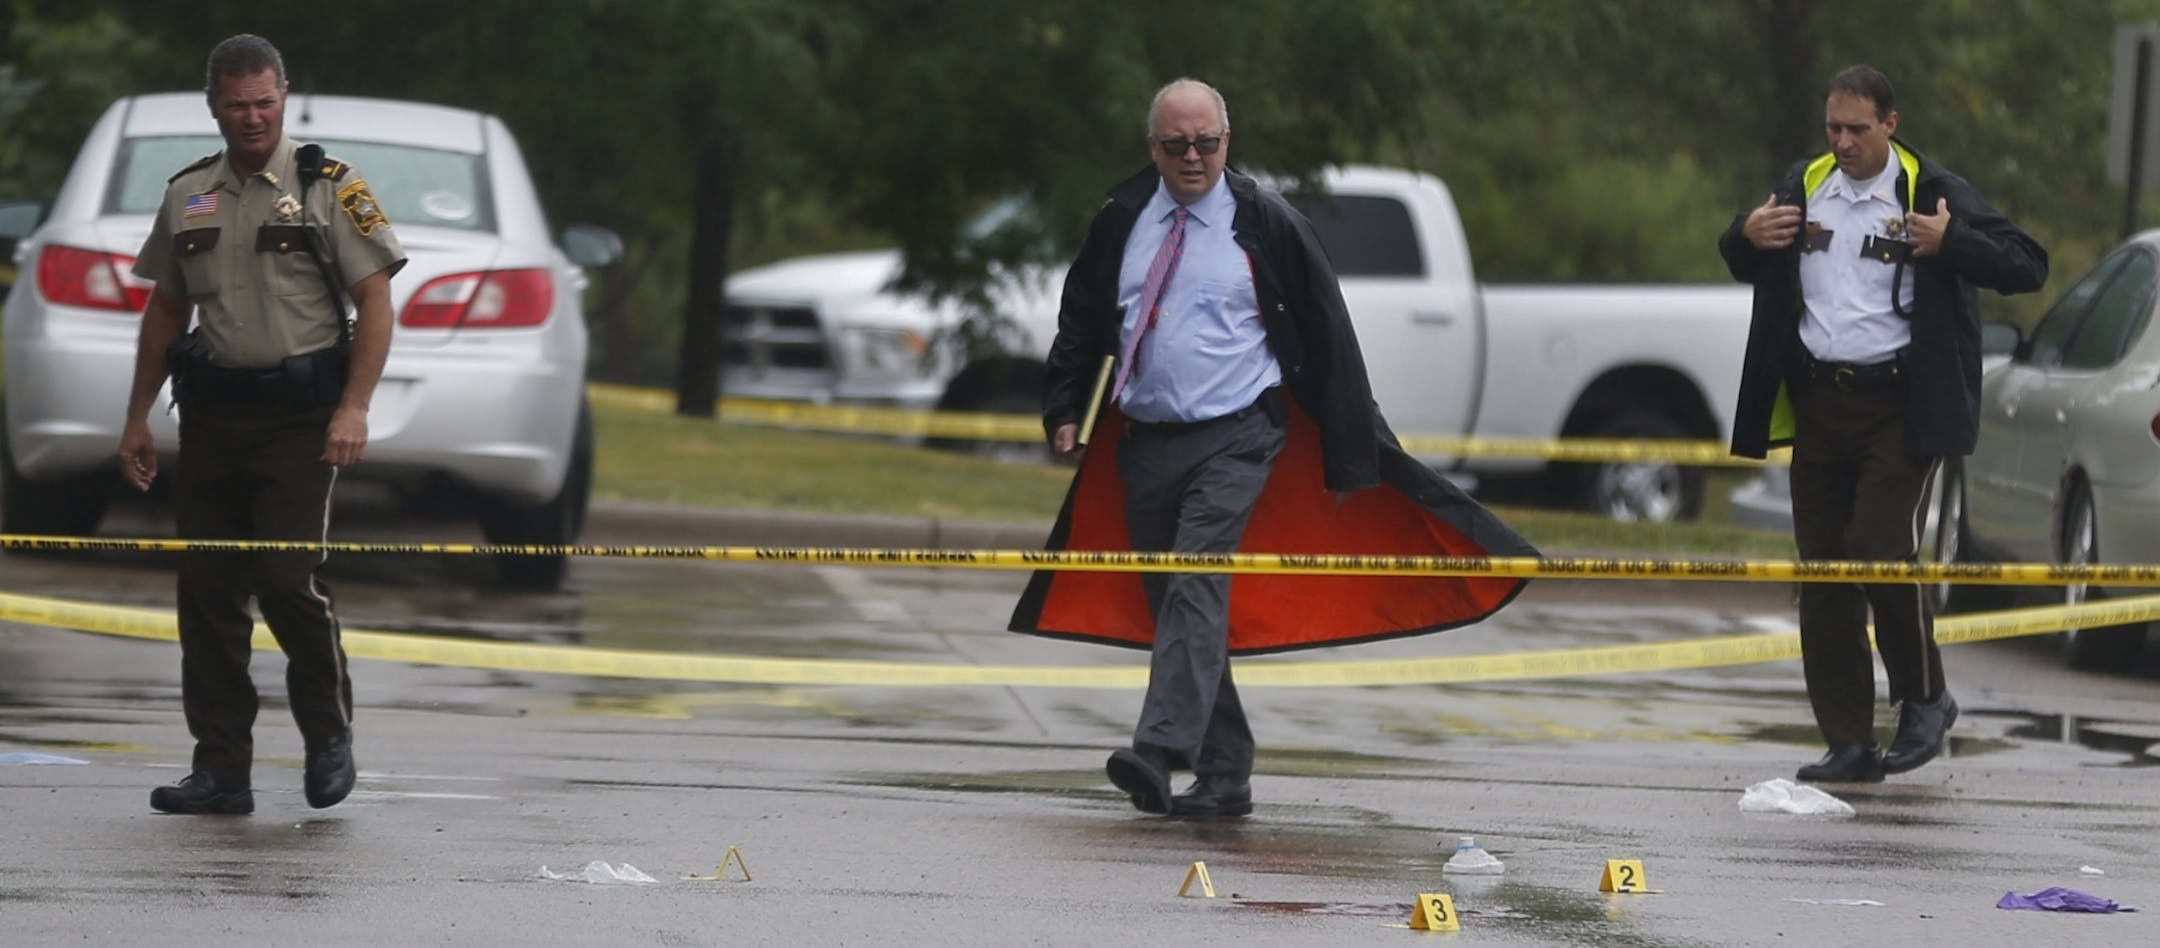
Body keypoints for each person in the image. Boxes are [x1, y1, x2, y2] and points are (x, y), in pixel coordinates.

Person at [1009, 78, 1536, 818]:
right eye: (1176, 144)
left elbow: (1327, 331)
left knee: (1195, 579)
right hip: (1145, 438)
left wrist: (1354, 443)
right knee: (1177, 609)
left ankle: (1158, 748)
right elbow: (1083, 319)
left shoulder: (1268, 222)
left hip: (1239, 434)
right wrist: (1064, 406)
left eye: (1208, 143)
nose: (1193, 157)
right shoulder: (1120, 219)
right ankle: (1225, 773)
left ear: (1229, 140)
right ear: (1152, 148)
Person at [1719, 65, 2046, 783]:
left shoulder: (1931, 191)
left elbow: (2027, 265)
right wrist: (1744, 235)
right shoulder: (1805, 185)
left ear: (1890, 125)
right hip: (1819, 403)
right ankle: (1848, 740)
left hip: (1901, 404)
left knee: (1875, 542)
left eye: (1858, 130)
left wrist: (1949, 243)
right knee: (1825, 568)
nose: (1843, 143)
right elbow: (1743, 254)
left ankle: (1926, 695)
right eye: (1833, 129)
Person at [119, 34, 405, 814]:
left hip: (301, 420)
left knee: (284, 579)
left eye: (265, 103)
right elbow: (167, 308)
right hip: (213, 416)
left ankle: (328, 733)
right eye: (238, 104)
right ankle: (221, 770)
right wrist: (137, 416)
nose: (253, 118)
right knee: (207, 592)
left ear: (285, 98)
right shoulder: (189, 195)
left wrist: (354, 406)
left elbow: (376, 300)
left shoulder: (330, 188)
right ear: (213, 105)